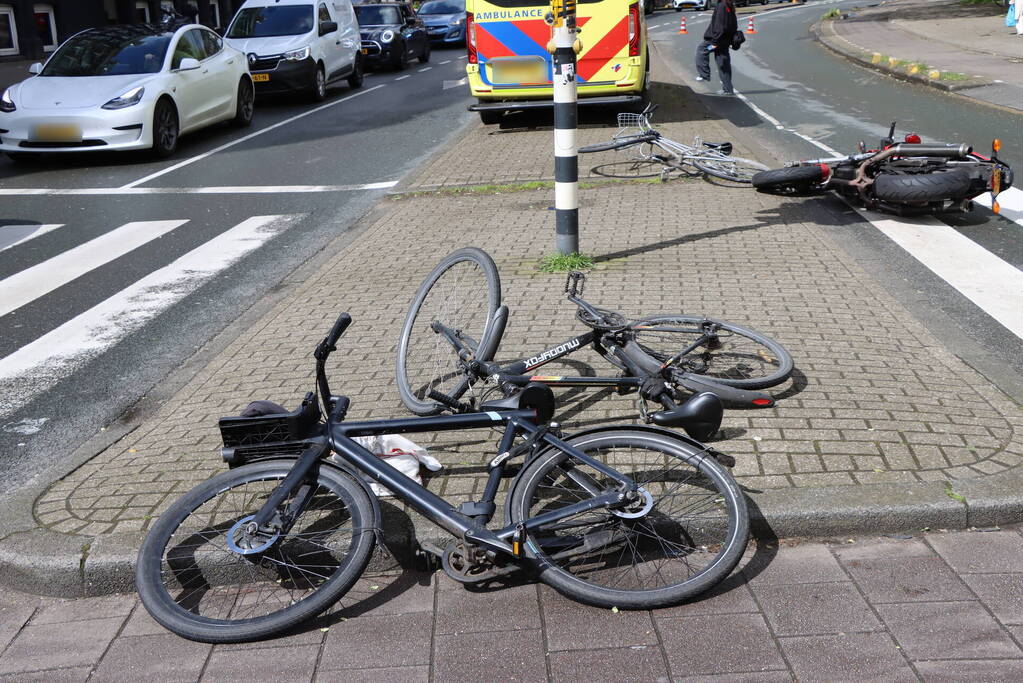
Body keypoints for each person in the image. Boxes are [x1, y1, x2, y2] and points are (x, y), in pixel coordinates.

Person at [695, 0, 738, 95]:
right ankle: (728, 89)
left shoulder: (721, 5)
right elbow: (734, 25)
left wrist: (714, 42)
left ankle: (704, 74)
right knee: (723, 63)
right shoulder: (728, 5)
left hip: (717, 42)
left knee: (702, 50)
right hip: (724, 41)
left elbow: (719, 25)